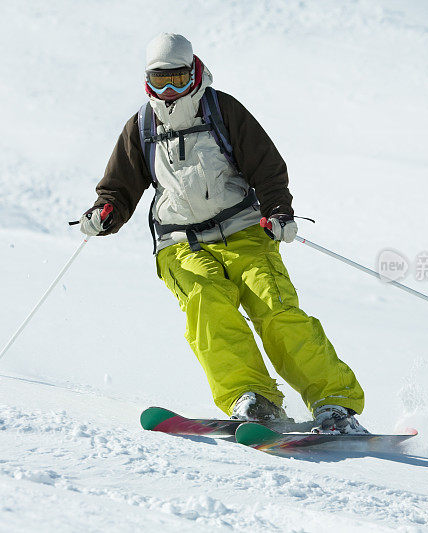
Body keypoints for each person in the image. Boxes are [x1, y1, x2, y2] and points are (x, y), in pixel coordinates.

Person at [78, 33, 367, 434]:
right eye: (159, 81)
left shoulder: (222, 110)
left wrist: (278, 210)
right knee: (207, 306)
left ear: (193, 71)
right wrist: (105, 212)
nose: (169, 91)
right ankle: (253, 397)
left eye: (178, 79)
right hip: (180, 245)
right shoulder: (141, 126)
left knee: (277, 309)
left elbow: (266, 168)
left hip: (244, 231)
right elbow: (118, 187)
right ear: (147, 81)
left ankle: (334, 403)